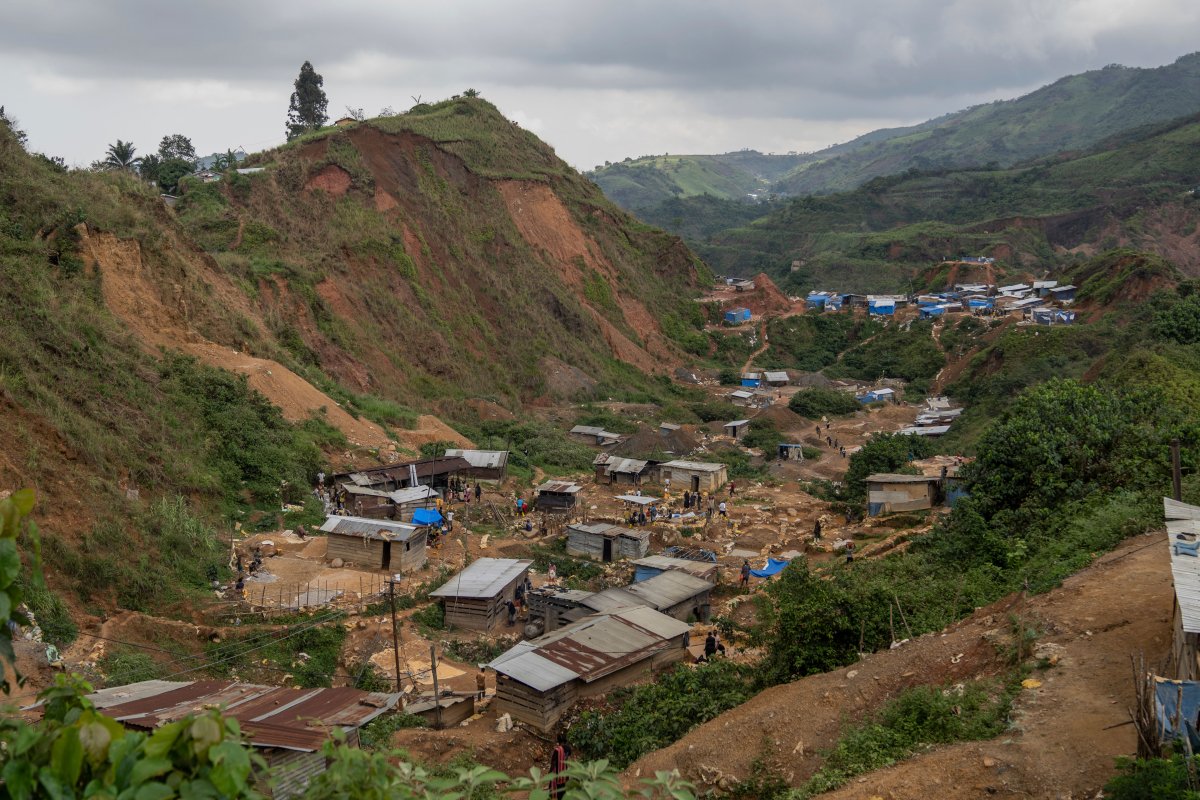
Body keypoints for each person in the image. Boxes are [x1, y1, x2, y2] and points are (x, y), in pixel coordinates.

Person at [549, 732, 571, 799]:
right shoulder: (568, 748)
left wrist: (550, 772)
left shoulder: (557, 750)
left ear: (558, 740)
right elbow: (568, 756)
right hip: (565, 772)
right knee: (563, 789)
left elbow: (553, 762)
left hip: (557, 773)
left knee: (557, 790)